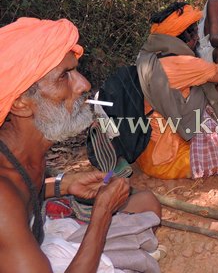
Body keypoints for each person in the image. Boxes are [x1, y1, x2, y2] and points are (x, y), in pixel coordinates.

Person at [0, 18, 162, 272]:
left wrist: (64, 184)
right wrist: (102, 214)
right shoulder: (2, 198)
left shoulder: (23, 151)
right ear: (20, 103)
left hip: (33, 240)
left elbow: (24, 192)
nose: (84, 84)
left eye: (75, 70)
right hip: (27, 247)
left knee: (147, 203)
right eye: (64, 76)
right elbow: (11, 200)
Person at [136, 2, 218, 179]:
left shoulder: (147, 55)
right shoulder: (186, 64)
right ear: (186, 37)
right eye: (195, 33)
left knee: (209, 113)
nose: (197, 39)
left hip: (145, 149)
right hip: (167, 159)